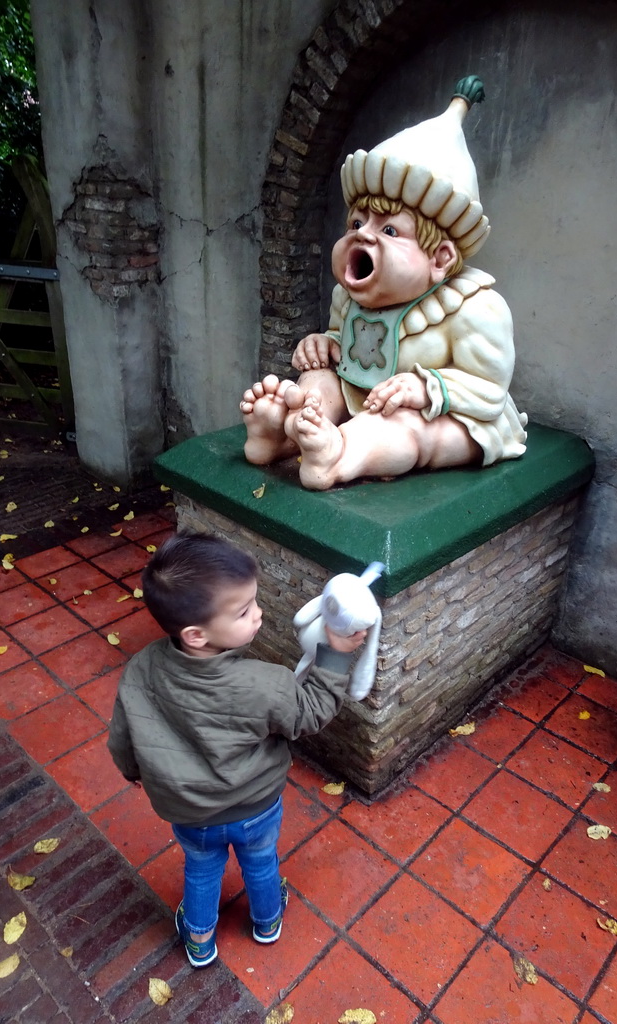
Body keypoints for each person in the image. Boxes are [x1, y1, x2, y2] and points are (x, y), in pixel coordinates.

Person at [241, 76, 527, 489]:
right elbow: (345, 344)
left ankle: (334, 459)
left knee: (405, 428)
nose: (363, 235)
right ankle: (285, 432)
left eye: (390, 231)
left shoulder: (474, 308)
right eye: (357, 223)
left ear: (440, 258)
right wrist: (326, 344)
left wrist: (427, 388)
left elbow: (489, 392)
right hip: (366, 398)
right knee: (320, 381)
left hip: (450, 420)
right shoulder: (349, 295)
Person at [107, 532, 366, 968]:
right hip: (256, 806)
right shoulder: (264, 682)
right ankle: (267, 921)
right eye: (245, 611)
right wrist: (335, 655)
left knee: (202, 870)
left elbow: (123, 734)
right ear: (195, 634)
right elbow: (311, 713)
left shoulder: (142, 668)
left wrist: (133, 771)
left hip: (190, 812)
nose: (259, 614)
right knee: (261, 863)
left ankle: (200, 938)